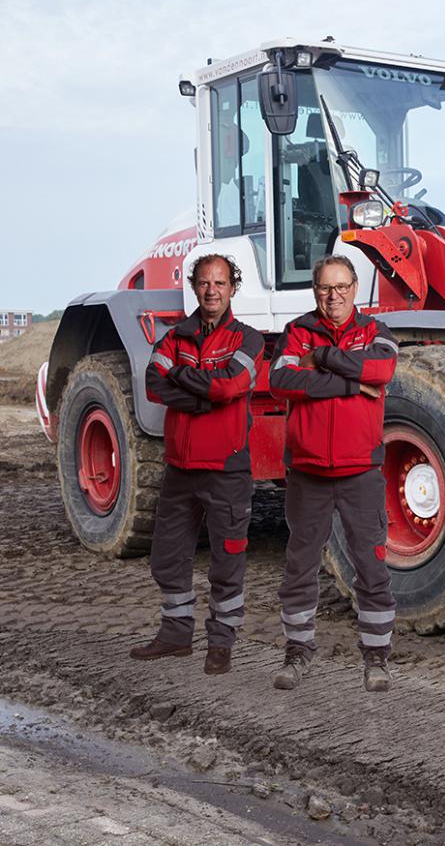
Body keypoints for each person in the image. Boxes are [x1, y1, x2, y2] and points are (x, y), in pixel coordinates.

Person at [268, 254, 400, 692]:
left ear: (355, 287)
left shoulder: (375, 331)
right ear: (315, 292)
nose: (334, 296)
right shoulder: (296, 331)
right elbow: (282, 382)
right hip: (307, 472)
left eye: (342, 287)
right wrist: (347, 382)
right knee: (300, 567)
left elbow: (380, 371)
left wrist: (321, 357)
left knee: (371, 566)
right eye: (326, 288)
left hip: (360, 471)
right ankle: (297, 653)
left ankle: (377, 659)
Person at [132, 254, 264, 675]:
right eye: (205, 282)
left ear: (232, 288)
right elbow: (154, 384)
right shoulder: (174, 337)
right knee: (167, 557)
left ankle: (221, 643)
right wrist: (201, 397)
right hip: (180, 469)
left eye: (220, 283)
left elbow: (230, 386)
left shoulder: (249, 339)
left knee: (227, 561)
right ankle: (175, 635)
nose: (212, 290)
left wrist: (184, 380)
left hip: (226, 469)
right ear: (194, 286)